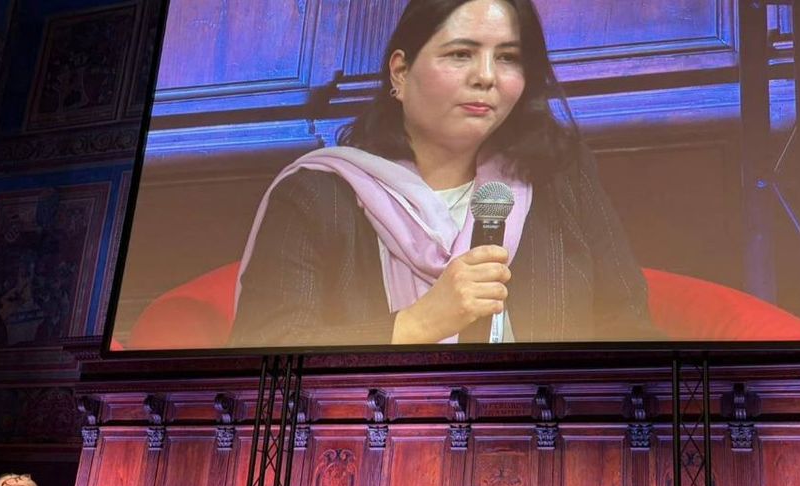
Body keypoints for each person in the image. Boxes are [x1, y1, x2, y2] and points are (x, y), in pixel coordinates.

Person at [230, 0, 654, 348]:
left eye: (507, 58)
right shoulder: (317, 195)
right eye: (460, 54)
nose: (486, 77)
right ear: (400, 71)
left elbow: (628, 323)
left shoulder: (558, 176)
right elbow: (264, 349)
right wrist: (418, 324)